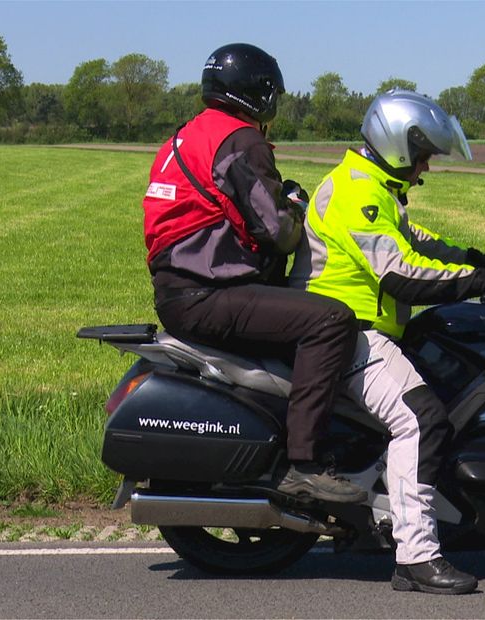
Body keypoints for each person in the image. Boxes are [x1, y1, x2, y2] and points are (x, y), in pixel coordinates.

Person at [289, 89, 485, 594]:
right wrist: (480, 283)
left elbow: (417, 242)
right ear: (399, 146)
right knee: (421, 420)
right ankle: (416, 556)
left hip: (359, 329)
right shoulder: (358, 193)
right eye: (424, 157)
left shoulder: (374, 186)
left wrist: (483, 260)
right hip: (347, 336)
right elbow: (400, 275)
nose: (426, 169)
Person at [142, 43, 365, 504]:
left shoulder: (189, 134)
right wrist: (297, 212)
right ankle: (302, 464)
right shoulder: (240, 140)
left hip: (180, 290)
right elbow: (275, 231)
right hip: (209, 293)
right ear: (256, 95)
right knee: (331, 321)